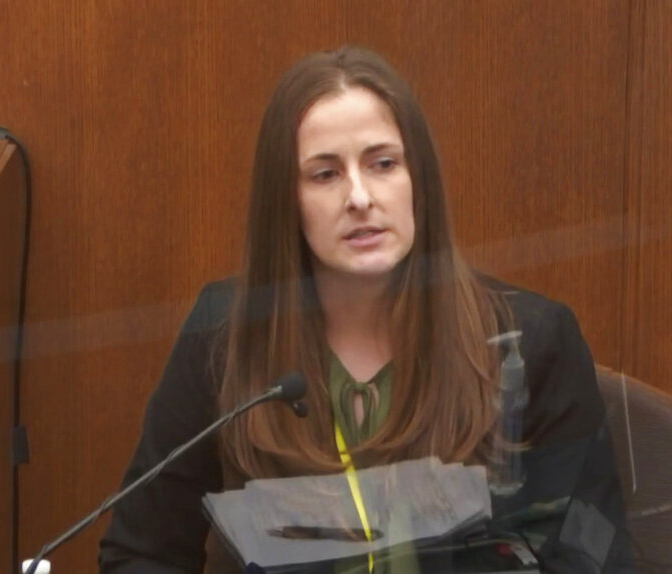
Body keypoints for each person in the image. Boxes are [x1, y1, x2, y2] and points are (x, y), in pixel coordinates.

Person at [99, 46, 632, 573]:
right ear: (287, 202)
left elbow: (592, 561)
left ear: (418, 181)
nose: (359, 197)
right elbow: (140, 553)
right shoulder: (226, 335)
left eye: (383, 164)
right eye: (325, 174)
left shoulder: (528, 343)